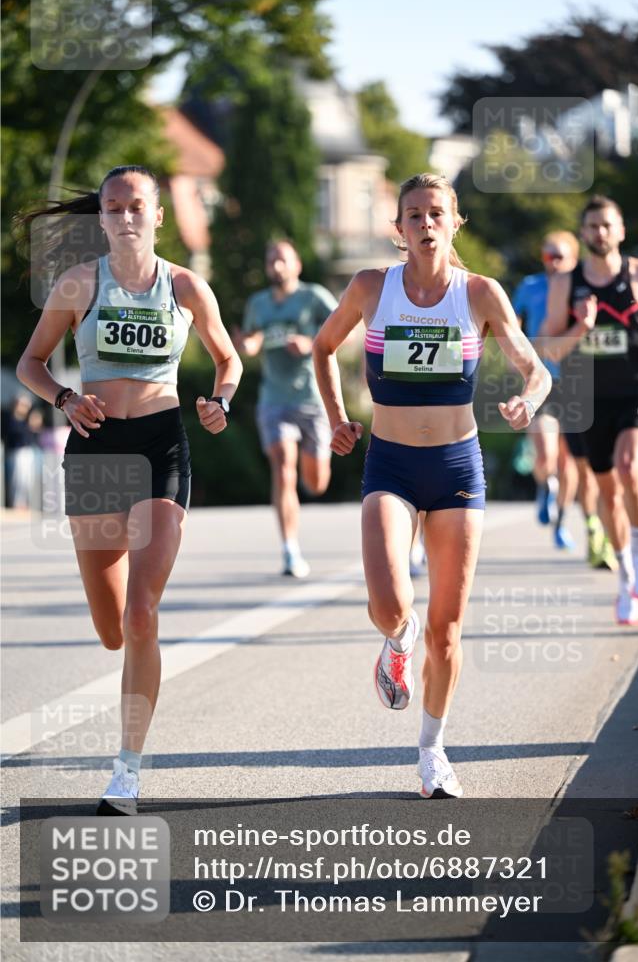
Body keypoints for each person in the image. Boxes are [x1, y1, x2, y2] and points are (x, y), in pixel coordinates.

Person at [313, 173, 551, 798]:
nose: (424, 224)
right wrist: (339, 419)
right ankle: (396, 637)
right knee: (391, 603)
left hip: (456, 468)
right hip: (389, 463)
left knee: (447, 629)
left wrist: (528, 400)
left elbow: (536, 369)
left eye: (435, 214)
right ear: (398, 228)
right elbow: (322, 349)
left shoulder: (479, 293)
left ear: (455, 223)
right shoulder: (371, 288)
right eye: (413, 215)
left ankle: (432, 750)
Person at [16, 164, 242, 813]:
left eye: (136, 205)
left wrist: (221, 402)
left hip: (160, 445)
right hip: (95, 453)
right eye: (113, 207)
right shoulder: (79, 283)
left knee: (143, 612)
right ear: (103, 218)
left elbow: (228, 359)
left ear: (158, 213)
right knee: (112, 628)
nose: (124, 216)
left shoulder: (187, 286)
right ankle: (125, 722)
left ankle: (127, 769)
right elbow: (30, 363)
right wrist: (62, 397)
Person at [541, 195, 638, 625]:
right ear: (583, 233)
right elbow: (549, 347)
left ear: (621, 230)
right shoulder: (565, 285)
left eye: (607, 225)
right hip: (588, 400)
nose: (600, 233)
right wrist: (582, 327)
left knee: (629, 466)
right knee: (607, 492)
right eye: (592, 226)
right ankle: (627, 579)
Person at [234, 239, 337, 578]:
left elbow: (346, 329)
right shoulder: (258, 303)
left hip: (312, 398)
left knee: (317, 482)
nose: (276, 266)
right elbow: (251, 339)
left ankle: (312, 480)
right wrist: (248, 345)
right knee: (282, 466)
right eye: (271, 260)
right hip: (274, 400)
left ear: (297, 265)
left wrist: (312, 343)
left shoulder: (313, 296)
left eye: (282, 260)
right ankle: (290, 550)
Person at [513, 232, 579, 549]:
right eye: (547, 256)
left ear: (573, 259)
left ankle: (562, 520)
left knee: (569, 462)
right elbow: (510, 324)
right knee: (545, 455)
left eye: (559, 256)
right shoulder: (529, 285)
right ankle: (545, 486)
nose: (552, 262)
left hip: (579, 382)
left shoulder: (581, 287)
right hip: (541, 381)